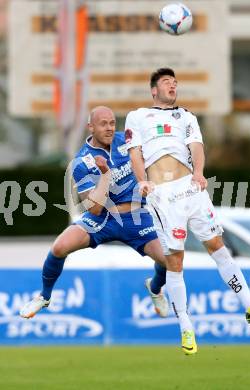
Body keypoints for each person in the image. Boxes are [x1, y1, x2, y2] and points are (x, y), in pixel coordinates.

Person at [125, 68, 250, 355]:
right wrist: (142, 180)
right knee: (175, 261)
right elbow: (135, 152)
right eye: (166, 82)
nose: (172, 85)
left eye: (175, 82)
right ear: (154, 90)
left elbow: (196, 146)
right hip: (162, 194)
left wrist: (200, 172)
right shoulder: (138, 116)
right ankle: (186, 327)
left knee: (218, 247)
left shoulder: (187, 116)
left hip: (191, 189)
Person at [20, 106, 169, 320]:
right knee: (60, 247)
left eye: (112, 123)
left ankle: (155, 288)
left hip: (136, 216)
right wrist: (106, 174)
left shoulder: (127, 141)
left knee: (169, 259)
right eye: (103, 124)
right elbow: (95, 208)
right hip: (103, 218)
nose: (109, 128)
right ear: (91, 127)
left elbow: (156, 147)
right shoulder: (82, 161)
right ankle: (44, 296)